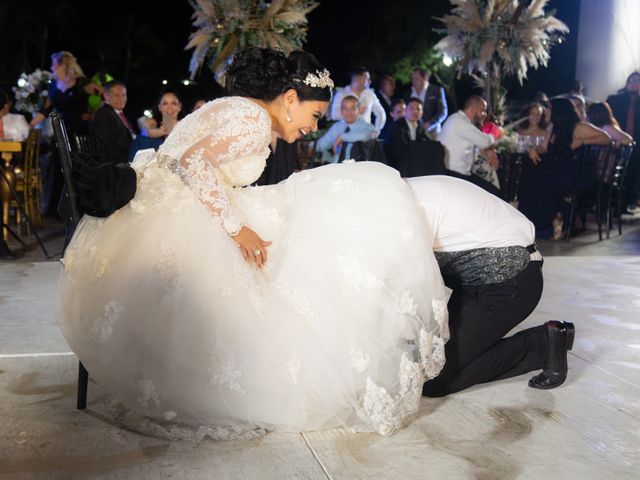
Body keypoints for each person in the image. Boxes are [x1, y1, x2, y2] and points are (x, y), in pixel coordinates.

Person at [57, 47, 449, 438]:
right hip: (175, 212)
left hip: (161, 198)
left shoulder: (240, 107)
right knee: (296, 238)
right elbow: (194, 163)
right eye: (314, 115)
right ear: (290, 99)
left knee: (293, 219)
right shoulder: (253, 119)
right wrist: (234, 227)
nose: (313, 126)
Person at [406, 175, 575, 396]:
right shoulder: (405, 191)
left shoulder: (409, 214)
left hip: (509, 283)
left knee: (435, 379)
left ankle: (544, 344)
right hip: (478, 280)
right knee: (428, 364)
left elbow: (410, 290)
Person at [518, 97, 611, 239]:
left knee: (539, 182)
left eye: (549, 108)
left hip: (577, 174)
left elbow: (607, 138)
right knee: (529, 179)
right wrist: (533, 149)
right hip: (561, 170)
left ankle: (549, 224)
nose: (546, 111)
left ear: (558, 111)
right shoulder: (553, 128)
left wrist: (583, 141)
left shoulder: (579, 127)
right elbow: (544, 147)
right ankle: (539, 225)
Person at [438, 95, 500, 195]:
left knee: (491, 192)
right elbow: (486, 141)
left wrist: (490, 150)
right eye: (482, 111)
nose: (484, 114)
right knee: (492, 193)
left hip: (461, 174)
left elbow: (481, 144)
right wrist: (491, 148)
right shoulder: (458, 121)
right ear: (472, 110)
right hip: (452, 174)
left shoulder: (462, 122)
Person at [607, 72, 640, 213]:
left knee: (634, 173)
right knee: (615, 172)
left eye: (637, 80)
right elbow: (606, 118)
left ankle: (628, 203)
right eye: (631, 80)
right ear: (627, 83)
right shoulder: (615, 100)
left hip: (637, 143)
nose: (634, 83)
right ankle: (612, 204)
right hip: (617, 142)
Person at [315, 95, 375, 163]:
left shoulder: (367, 127)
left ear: (358, 110)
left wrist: (342, 137)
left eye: (353, 108)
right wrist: (309, 146)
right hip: (337, 167)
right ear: (341, 110)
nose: (349, 112)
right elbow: (321, 145)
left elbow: (366, 136)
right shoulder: (337, 127)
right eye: (345, 108)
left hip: (359, 168)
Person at [329, 66, 386, 136]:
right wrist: (356, 113)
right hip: (345, 136)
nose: (370, 81)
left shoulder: (370, 94)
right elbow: (334, 115)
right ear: (359, 79)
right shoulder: (342, 94)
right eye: (367, 78)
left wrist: (377, 130)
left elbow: (381, 113)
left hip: (365, 136)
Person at [90, 80, 135, 165]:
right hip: (118, 162)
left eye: (123, 95)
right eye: (117, 95)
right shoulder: (104, 114)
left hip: (129, 154)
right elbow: (106, 145)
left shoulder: (116, 112)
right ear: (106, 96)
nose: (121, 99)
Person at [128, 91, 183, 161]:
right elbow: (151, 132)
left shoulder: (186, 124)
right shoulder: (151, 122)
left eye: (174, 103)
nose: (169, 107)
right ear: (159, 107)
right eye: (165, 103)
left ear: (179, 106)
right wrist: (166, 129)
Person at [404, 67, 448, 133]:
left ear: (425, 78)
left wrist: (430, 124)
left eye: (416, 78)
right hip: (412, 131)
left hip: (431, 131)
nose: (413, 81)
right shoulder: (408, 92)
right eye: (412, 79)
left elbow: (442, 112)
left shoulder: (436, 90)